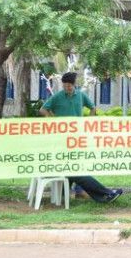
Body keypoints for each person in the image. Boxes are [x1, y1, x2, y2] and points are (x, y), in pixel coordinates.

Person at [39, 72, 122, 203]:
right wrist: (53, 120)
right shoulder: (58, 97)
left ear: (74, 84)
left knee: (77, 168)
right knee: (76, 171)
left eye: (69, 86)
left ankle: (99, 195)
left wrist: (88, 122)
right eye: (65, 86)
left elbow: (92, 108)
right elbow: (43, 109)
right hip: (62, 140)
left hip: (77, 138)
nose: (67, 89)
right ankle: (105, 194)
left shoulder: (81, 95)